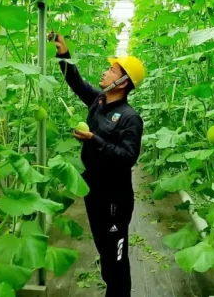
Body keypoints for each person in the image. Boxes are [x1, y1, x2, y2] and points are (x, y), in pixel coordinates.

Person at [50, 32, 144, 297]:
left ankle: (119, 293)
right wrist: (64, 54)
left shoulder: (130, 118)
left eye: (112, 70)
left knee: (116, 254)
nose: (105, 72)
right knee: (104, 250)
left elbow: (128, 158)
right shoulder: (99, 102)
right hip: (94, 192)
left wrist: (95, 138)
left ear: (124, 82)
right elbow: (76, 82)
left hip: (115, 198)